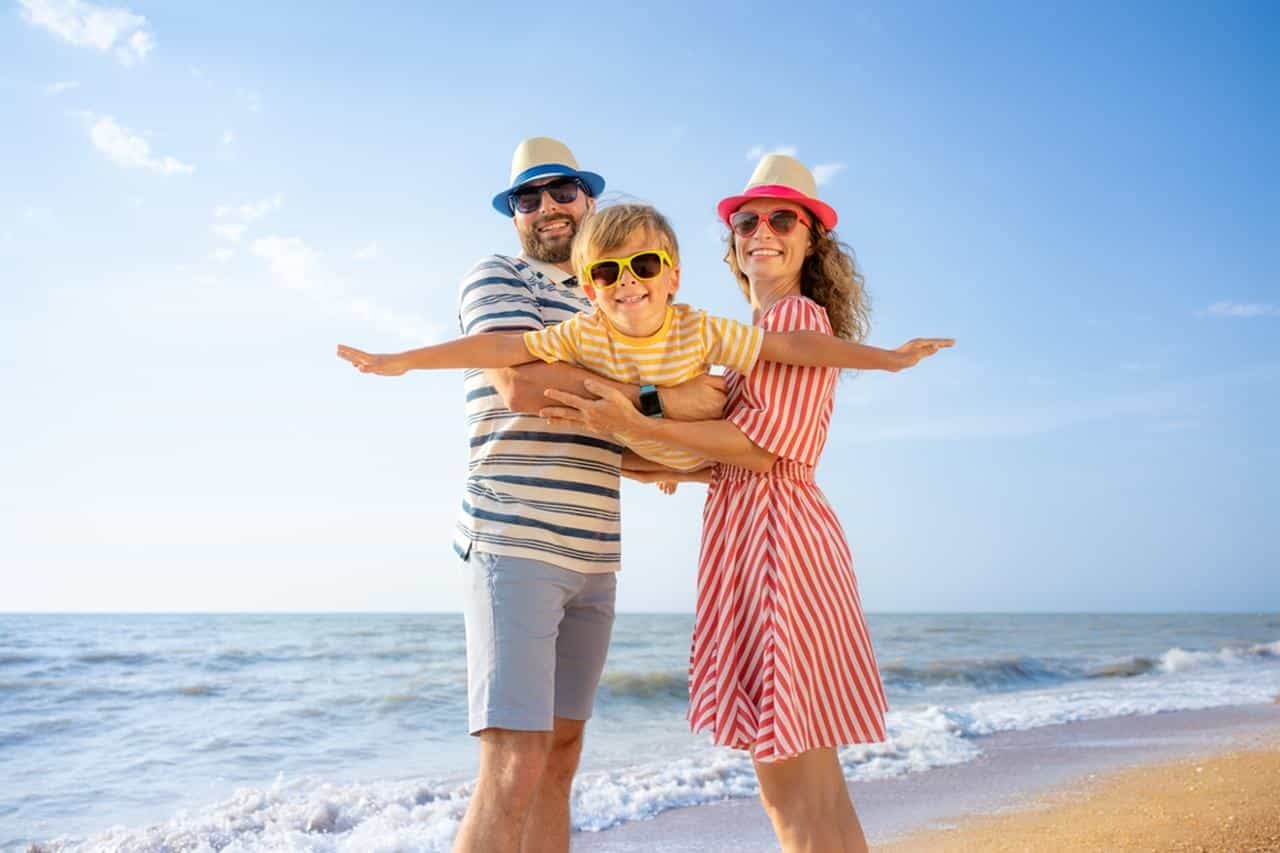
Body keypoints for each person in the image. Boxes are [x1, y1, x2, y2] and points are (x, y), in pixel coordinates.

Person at [538, 154, 948, 853]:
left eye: (783, 220)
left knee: (788, 785)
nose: (762, 231)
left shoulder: (796, 316)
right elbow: (723, 456)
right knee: (814, 785)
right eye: (747, 221)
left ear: (812, 240)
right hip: (763, 532)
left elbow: (761, 451)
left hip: (777, 544)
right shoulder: (761, 329)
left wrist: (640, 425)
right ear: (732, 240)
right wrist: (640, 452)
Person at [374, 138, 725, 853]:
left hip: (595, 553)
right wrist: (661, 397)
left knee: (561, 758)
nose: (546, 207)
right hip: (515, 541)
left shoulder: (605, 301)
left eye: (562, 191)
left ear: (589, 201)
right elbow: (521, 385)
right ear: (513, 215)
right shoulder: (498, 276)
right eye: (526, 198)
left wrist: (685, 460)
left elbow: (607, 432)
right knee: (513, 764)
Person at [339, 203, 949, 475]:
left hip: (707, 459)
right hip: (653, 458)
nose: (627, 282)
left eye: (645, 266)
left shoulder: (698, 327)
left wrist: (887, 359)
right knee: (597, 430)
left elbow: (792, 348)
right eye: (607, 273)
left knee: (687, 404)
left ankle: (678, 464)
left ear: (673, 277)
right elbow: (500, 349)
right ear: (589, 287)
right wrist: (405, 360)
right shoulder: (583, 330)